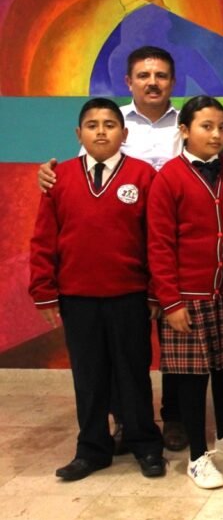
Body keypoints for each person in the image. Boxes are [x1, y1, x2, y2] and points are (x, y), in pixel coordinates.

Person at [37, 46, 188, 453]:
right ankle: (124, 423)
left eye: (160, 75)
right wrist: (51, 175)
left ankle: (171, 419)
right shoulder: (114, 120)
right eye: (143, 75)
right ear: (129, 82)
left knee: (173, 344)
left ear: (173, 81)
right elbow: (85, 180)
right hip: (120, 257)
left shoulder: (187, 123)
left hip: (177, 246)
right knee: (116, 356)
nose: (152, 82)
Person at [29, 98, 166, 481]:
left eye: (110, 124)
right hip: (78, 297)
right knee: (88, 376)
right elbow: (44, 239)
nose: (101, 131)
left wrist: (155, 291)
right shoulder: (59, 178)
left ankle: (144, 443)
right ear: (79, 134)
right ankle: (92, 448)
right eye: (92, 125)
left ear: (125, 134)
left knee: (133, 372)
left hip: (129, 295)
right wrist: (44, 290)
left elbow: (154, 238)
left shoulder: (142, 176)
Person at [148, 96, 223, 489]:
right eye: (206, 126)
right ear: (184, 130)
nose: (216, 134)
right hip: (187, 296)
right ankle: (197, 455)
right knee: (192, 377)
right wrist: (171, 301)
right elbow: (159, 245)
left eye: (222, 127)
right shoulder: (169, 179)